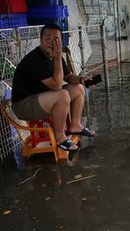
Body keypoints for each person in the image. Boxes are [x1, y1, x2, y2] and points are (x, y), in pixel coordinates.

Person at [11, 24, 95, 152]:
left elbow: (68, 76)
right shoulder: (35, 60)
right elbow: (56, 85)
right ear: (40, 39)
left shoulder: (57, 56)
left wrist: (82, 79)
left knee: (78, 88)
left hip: (40, 98)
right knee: (62, 95)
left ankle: (75, 125)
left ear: (61, 41)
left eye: (56, 39)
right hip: (23, 105)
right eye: (47, 38)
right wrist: (56, 58)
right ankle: (60, 137)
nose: (51, 42)